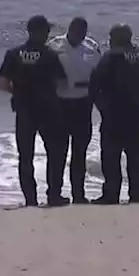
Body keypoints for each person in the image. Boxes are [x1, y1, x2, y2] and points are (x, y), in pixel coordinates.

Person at [89, 24, 139, 204]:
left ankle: (111, 194)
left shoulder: (110, 57)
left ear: (115, 38)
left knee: (110, 155)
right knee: (135, 155)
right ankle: (137, 195)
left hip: (114, 113)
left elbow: (95, 84)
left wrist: (101, 105)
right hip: (137, 113)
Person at [0, 15, 68, 208]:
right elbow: (62, 83)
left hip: (24, 109)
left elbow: (3, 84)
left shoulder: (13, 54)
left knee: (26, 156)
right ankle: (54, 196)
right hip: (49, 109)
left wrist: (19, 91)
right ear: (42, 32)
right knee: (55, 154)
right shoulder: (50, 55)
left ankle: (31, 199)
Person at [48, 17, 102, 205]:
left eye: (83, 32)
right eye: (76, 31)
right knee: (58, 152)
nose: (79, 36)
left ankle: (79, 194)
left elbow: (100, 73)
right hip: (60, 104)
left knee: (79, 152)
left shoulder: (91, 47)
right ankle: (54, 194)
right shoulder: (54, 46)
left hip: (83, 104)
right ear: (70, 29)